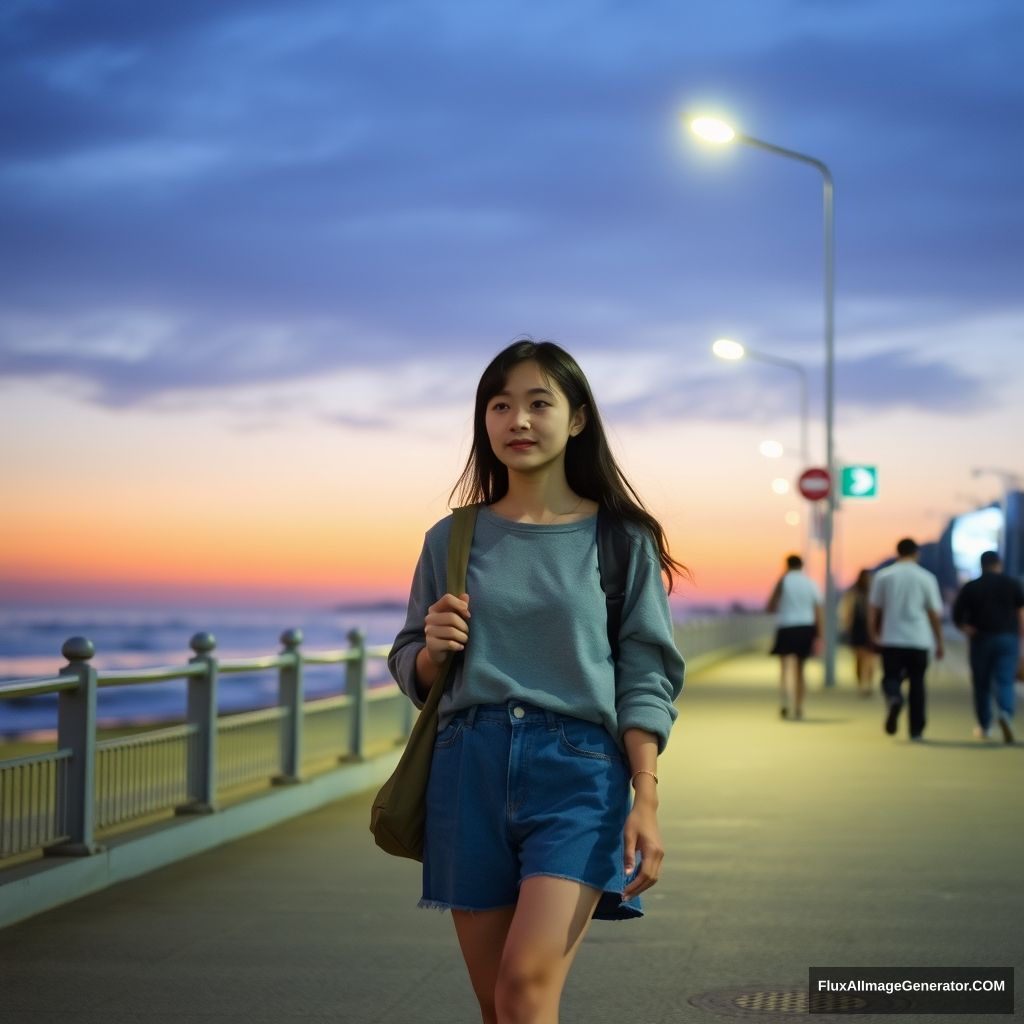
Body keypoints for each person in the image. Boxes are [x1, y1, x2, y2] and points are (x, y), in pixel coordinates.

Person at [388, 339, 686, 1024]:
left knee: (525, 991)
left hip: (579, 772)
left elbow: (645, 673)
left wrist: (646, 796)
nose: (517, 420)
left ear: (577, 419)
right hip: (468, 767)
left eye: (537, 403)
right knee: (498, 1007)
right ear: (483, 422)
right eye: (500, 405)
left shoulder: (620, 538)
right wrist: (433, 651)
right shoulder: (451, 539)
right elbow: (411, 663)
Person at [868, 538, 944, 740]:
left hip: (891, 638)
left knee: (890, 678)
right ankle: (916, 730)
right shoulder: (926, 577)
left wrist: (873, 635)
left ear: (897, 552)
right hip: (919, 640)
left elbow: (874, 610)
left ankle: (894, 697)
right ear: (916, 553)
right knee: (918, 684)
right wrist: (939, 641)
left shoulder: (884, 576)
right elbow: (934, 613)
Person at [951, 550, 1024, 743]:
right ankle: (1006, 713)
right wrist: (1021, 638)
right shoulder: (1012, 584)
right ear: (999, 564)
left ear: (981, 565)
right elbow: (1021, 613)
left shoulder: (971, 587)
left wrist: (968, 629)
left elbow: (957, 616)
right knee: (1006, 680)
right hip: (1008, 638)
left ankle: (984, 726)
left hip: (981, 639)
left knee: (982, 684)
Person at [766, 554, 823, 720]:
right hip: (806, 627)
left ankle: (784, 703)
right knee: (800, 669)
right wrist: (820, 634)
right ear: (802, 565)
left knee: (784, 668)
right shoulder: (810, 583)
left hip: (786, 627)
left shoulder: (783, 581)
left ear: (787, 565)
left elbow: (770, 606)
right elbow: (818, 609)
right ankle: (799, 706)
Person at [843, 569, 876, 696]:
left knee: (871, 659)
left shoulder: (873, 592)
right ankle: (861, 684)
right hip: (858, 627)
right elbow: (848, 610)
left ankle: (868, 684)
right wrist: (848, 625)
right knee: (859, 658)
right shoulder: (854, 593)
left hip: (869, 628)